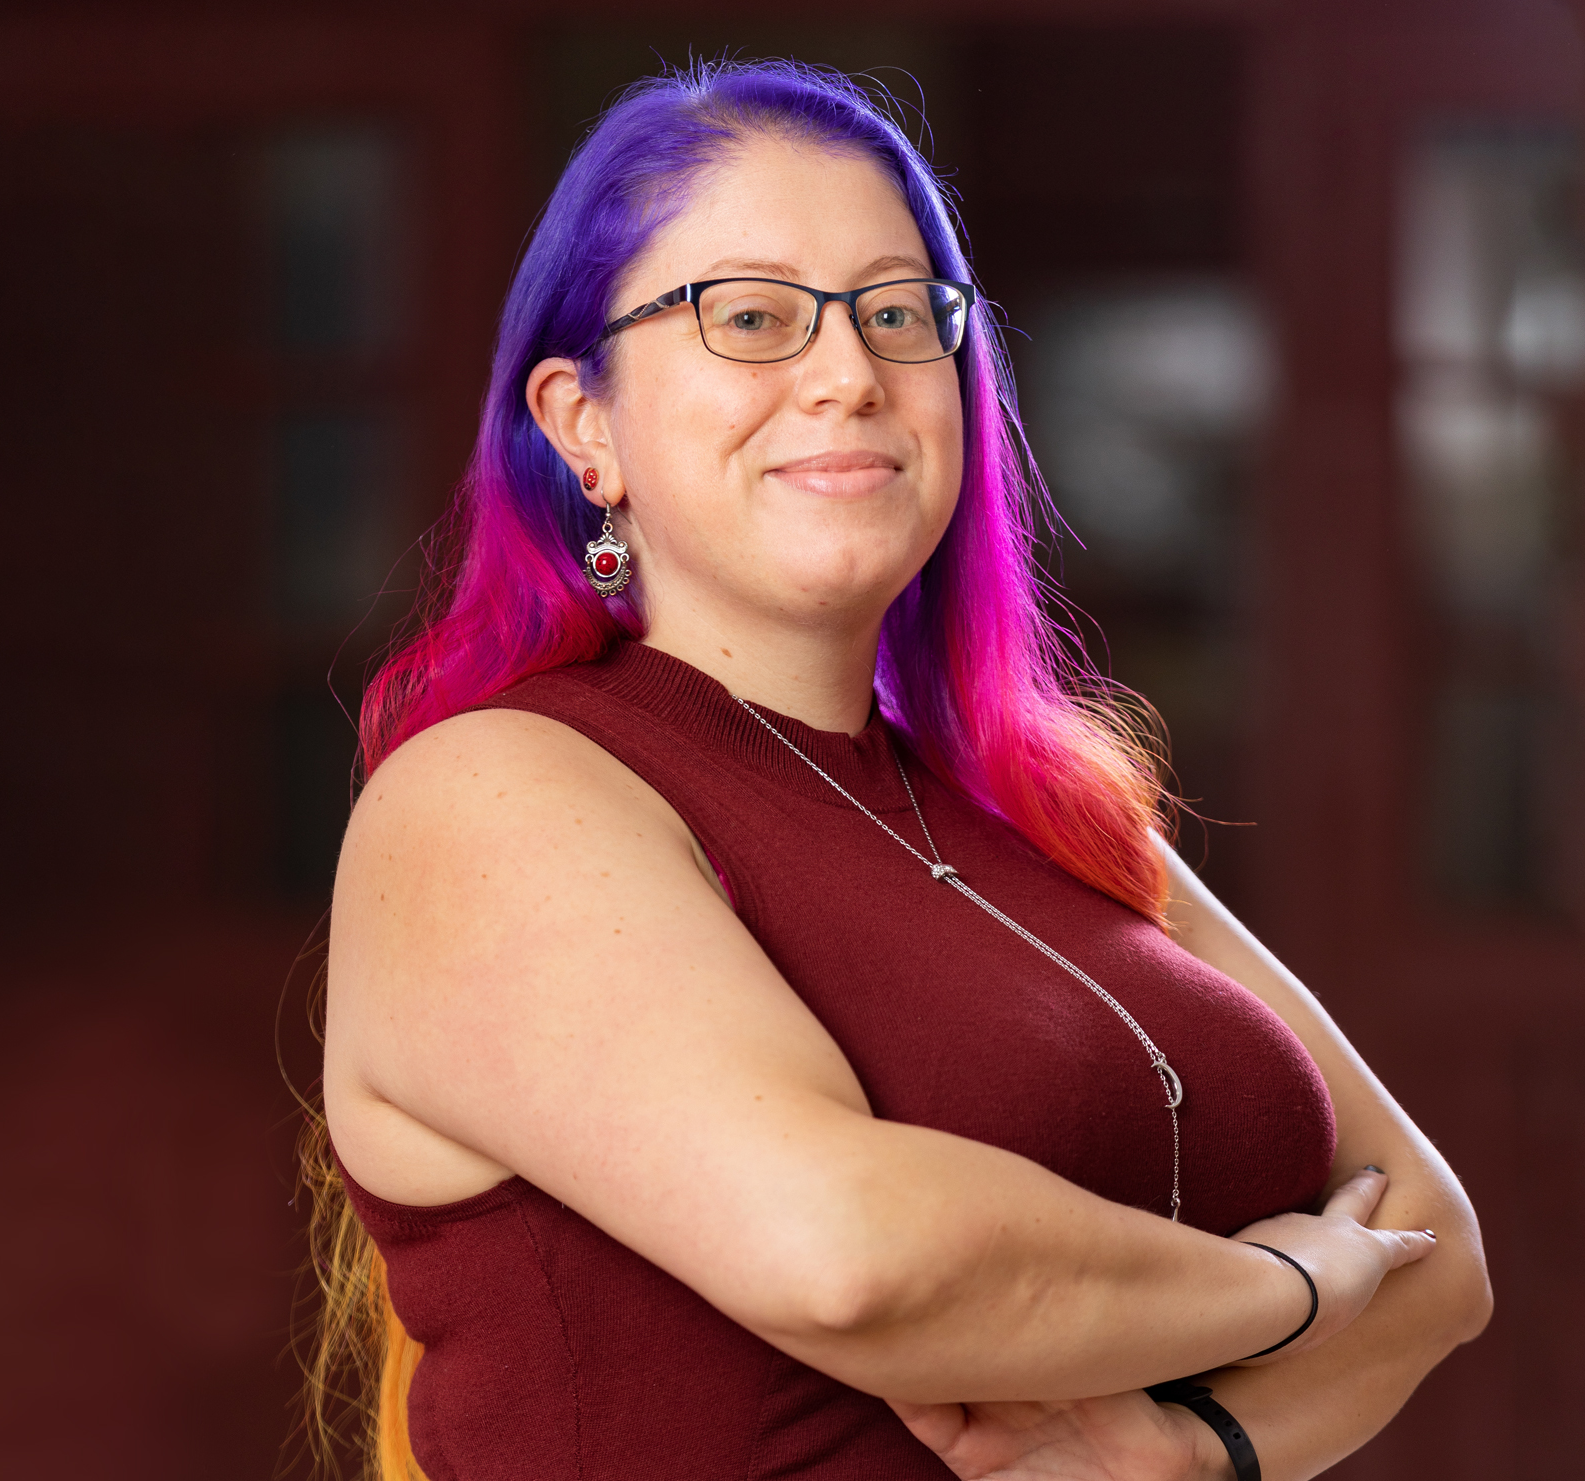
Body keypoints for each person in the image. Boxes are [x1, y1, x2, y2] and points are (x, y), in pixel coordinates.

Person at [298, 59, 1490, 1481]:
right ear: (582, 423)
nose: (850, 374)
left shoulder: (1038, 799)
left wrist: (1190, 1451)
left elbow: (1436, 1246)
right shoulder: (488, 797)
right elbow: (851, 1256)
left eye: (897, 315)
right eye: (749, 317)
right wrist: (1289, 1287)